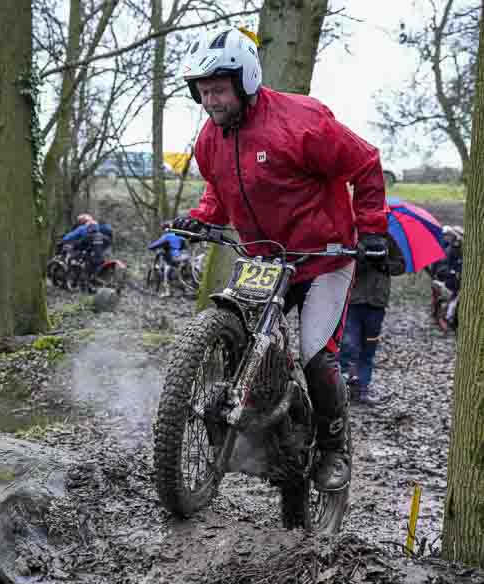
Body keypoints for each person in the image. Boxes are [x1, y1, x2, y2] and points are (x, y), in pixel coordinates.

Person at [171, 27, 388, 492]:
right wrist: (203, 217)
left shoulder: (302, 121)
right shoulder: (210, 139)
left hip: (323, 257)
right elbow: (221, 187)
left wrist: (372, 230)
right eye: (203, 92)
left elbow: (366, 162)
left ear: (245, 80)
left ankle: (334, 448)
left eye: (218, 89)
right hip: (265, 261)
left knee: (315, 355)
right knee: (242, 335)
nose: (210, 101)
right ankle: (260, 423)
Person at [340, 235, 405, 404]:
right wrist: (361, 261)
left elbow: (400, 266)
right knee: (349, 345)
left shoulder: (388, 239)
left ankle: (362, 389)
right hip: (354, 301)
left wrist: (383, 264)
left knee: (368, 348)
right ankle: (345, 385)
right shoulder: (354, 236)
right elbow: (340, 263)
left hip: (376, 304)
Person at [62, 214, 113, 289]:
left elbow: (80, 244)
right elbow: (105, 245)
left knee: (76, 260)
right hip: (101, 258)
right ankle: (93, 284)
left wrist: (72, 247)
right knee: (93, 270)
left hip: (92, 258)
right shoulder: (103, 236)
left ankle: (84, 284)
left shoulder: (87, 236)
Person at [148, 226, 188, 295]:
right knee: (178, 273)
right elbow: (184, 247)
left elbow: (157, 243)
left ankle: (167, 292)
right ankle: (185, 289)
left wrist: (150, 247)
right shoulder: (180, 236)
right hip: (182, 257)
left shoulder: (167, 236)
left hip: (173, 258)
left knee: (166, 272)